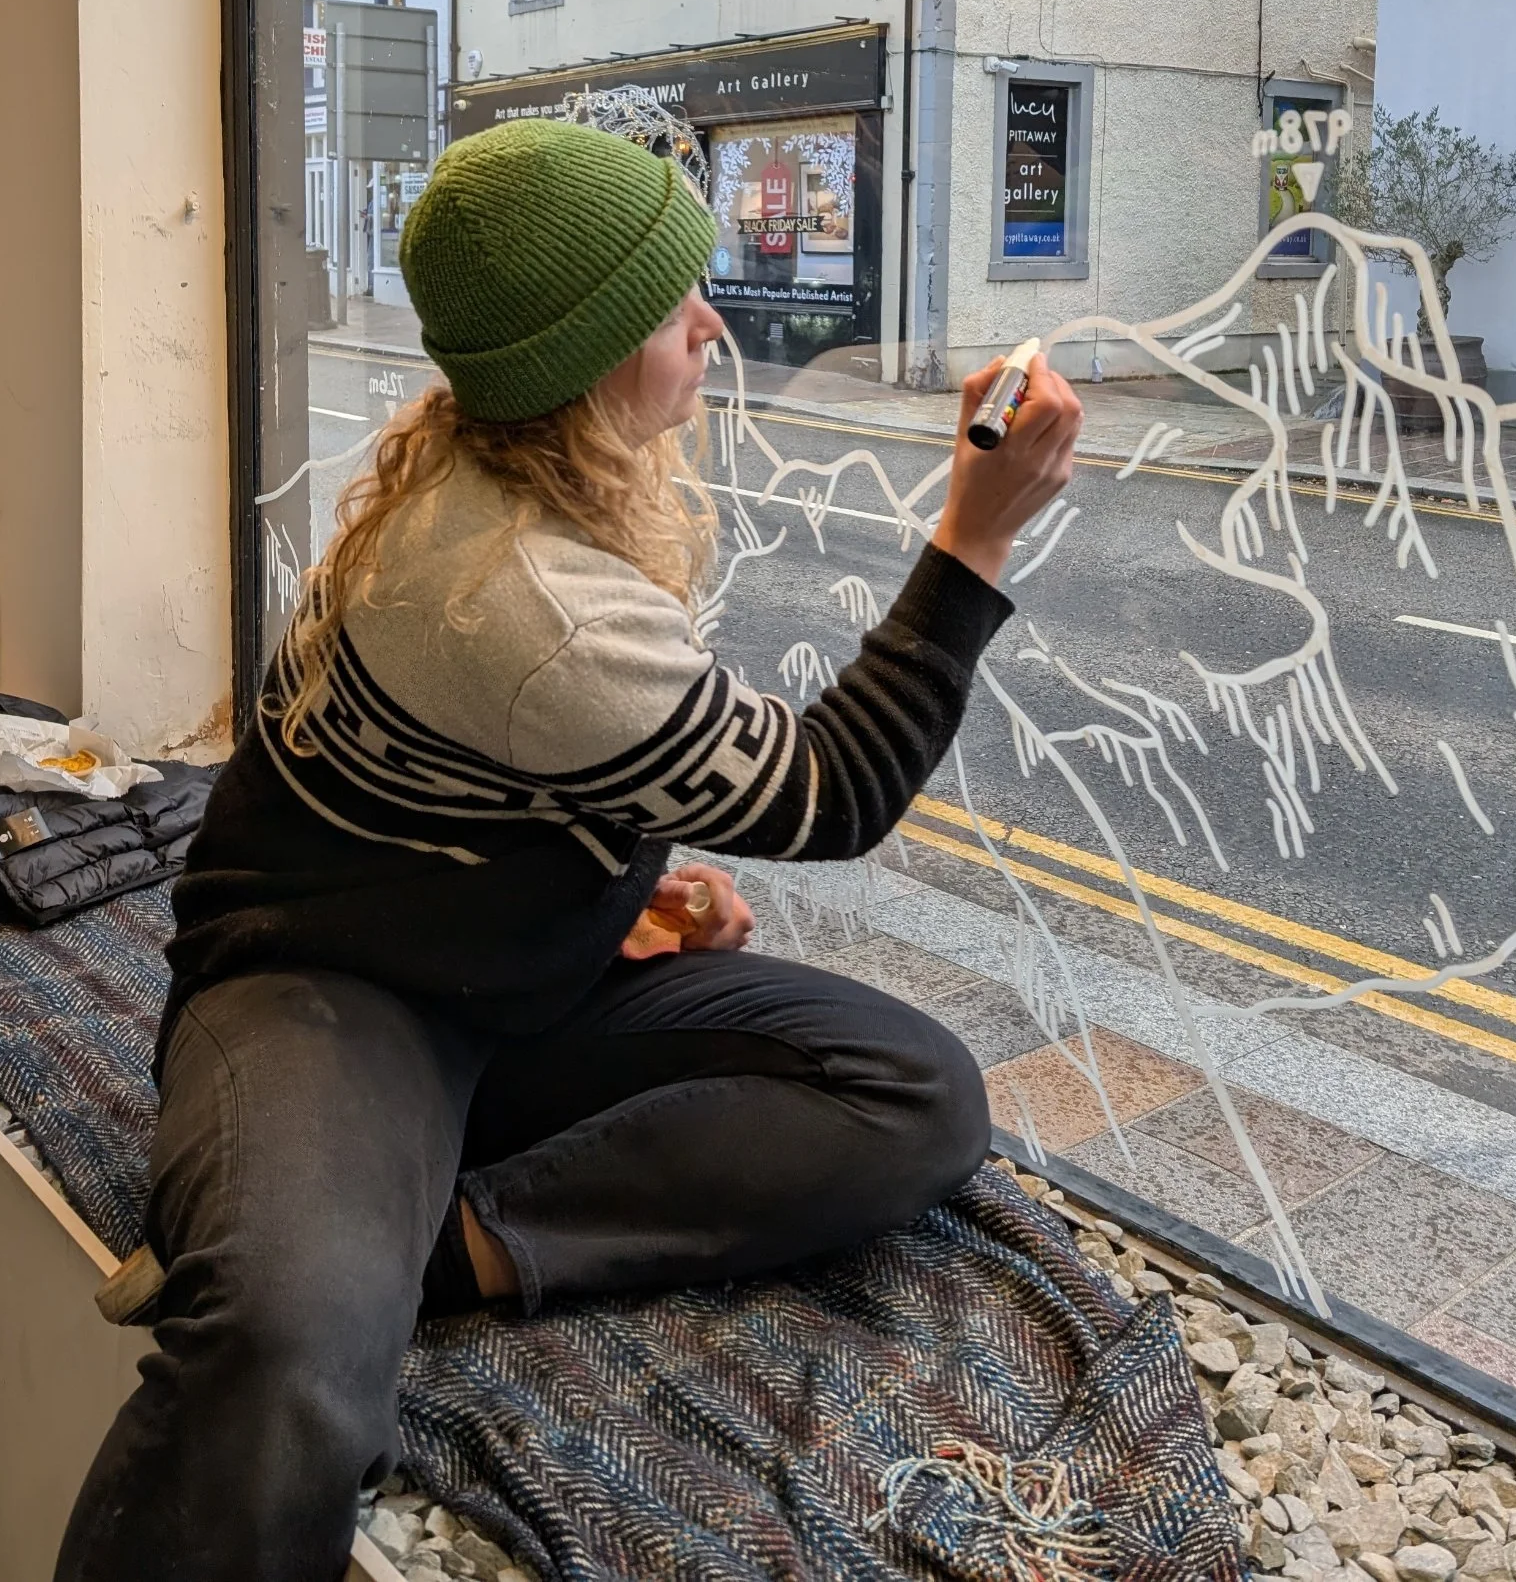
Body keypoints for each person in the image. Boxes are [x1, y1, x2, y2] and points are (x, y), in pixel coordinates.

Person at [57, 120, 1081, 1582]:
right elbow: (832, 794)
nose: (710, 329)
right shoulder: (513, 593)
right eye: (676, 314)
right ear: (589, 359)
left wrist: (613, 877)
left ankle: (442, 1243)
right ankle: (323, 1239)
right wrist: (973, 537)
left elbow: (463, 783)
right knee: (284, 1346)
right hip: (331, 998)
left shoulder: (493, 486)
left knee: (911, 1092)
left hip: (516, 979)